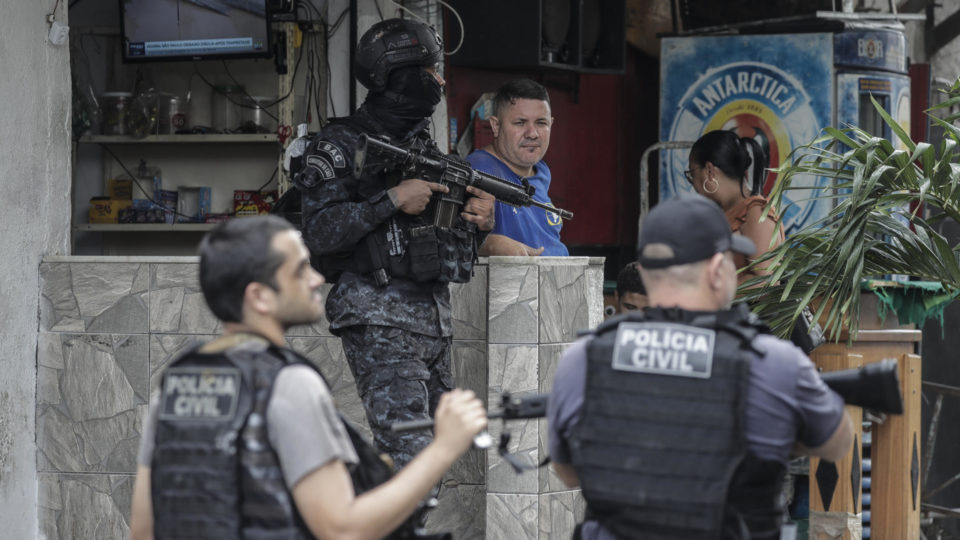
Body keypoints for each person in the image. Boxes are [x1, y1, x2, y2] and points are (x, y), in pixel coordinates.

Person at [128, 215, 487, 540]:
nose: (317, 278)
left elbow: (143, 531)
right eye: (300, 270)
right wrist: (443, 447)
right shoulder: (288, 384)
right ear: (260, 297)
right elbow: (343, 529)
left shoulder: (176, 385)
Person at [547, 193, 853, 540]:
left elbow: (568, 472)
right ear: (716, 271)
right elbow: (837, 442)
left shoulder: (585, 358)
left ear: (645, 272)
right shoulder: (771, 362)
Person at [291, 18, 495, 470]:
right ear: (399, 76)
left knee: (436, 459)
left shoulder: (428, 149)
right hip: (377, 317)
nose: (441, 81)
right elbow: (318, 232)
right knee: (411, 458)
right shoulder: (341, 146)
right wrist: (392, 199)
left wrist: (478, 221)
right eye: (432, 70)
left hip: (432, 321)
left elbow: (446, 240)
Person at [466, 78, 569, 256]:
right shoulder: (477, 171)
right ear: (495, 126)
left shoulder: (542, 171)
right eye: (520, 123)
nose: (532, 134)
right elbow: (451, 241)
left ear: (551, 124)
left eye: (541, 123)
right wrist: (490, 244)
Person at [686, 130, 784, 285]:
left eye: (692, 173)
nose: (692, 182)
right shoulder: (720, 213)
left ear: (709, 171)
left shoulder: (755, 212)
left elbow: (766, 282)